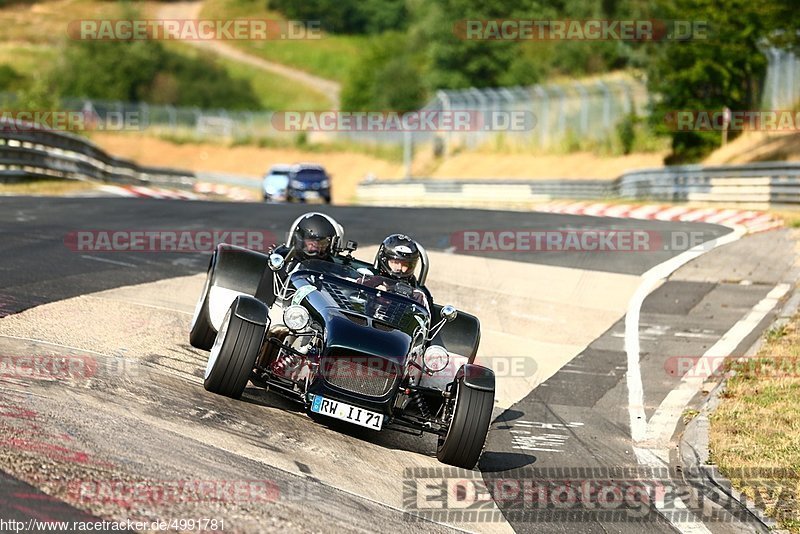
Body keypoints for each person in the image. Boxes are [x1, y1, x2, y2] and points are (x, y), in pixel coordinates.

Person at [370, 234, 432, 312]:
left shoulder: (418, 295)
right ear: (384, 260)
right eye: (395, 262)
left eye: (405, 265)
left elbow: (422, 320)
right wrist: (373, 294)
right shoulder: (370, 282)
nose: (399, 268)